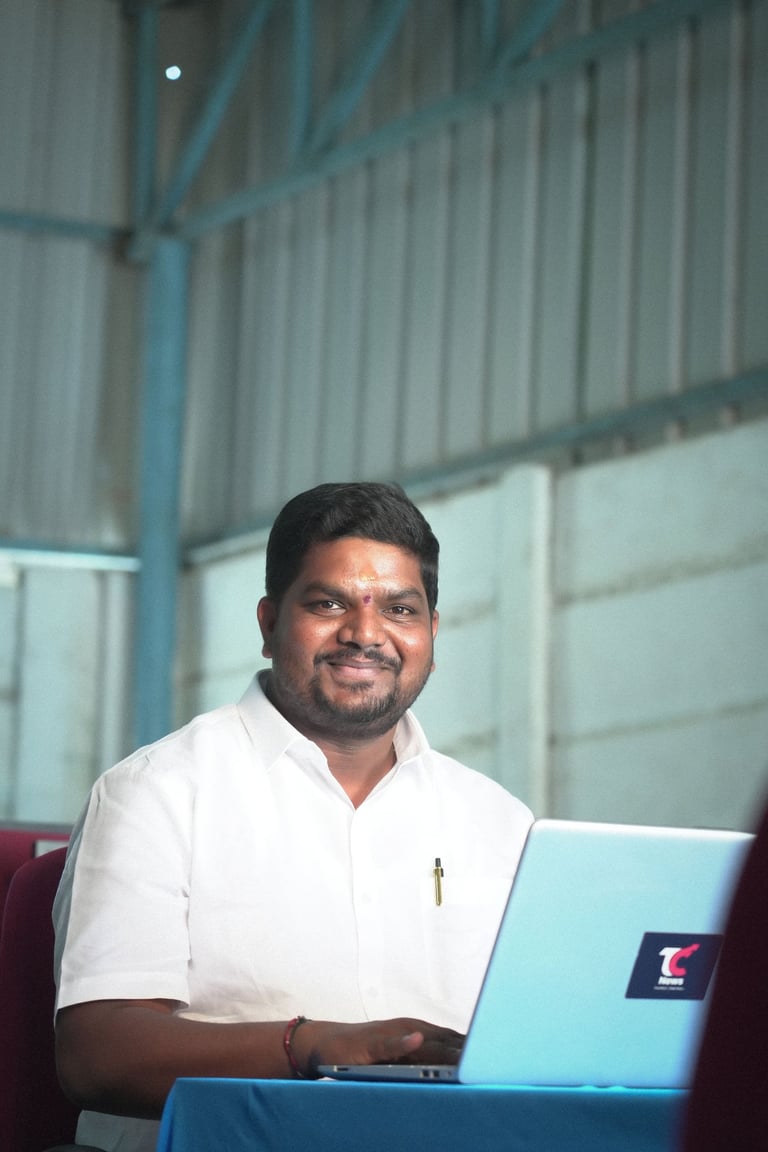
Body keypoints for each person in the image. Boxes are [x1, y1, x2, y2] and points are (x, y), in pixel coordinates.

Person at [53, 481, 533, 1152]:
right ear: (268, 624)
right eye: (329, 603)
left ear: (431, 633)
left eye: (400, 609)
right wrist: (308, 1047)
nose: (365, 634)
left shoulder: (500, 823)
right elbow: (97, 1056)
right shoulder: (156, 793)